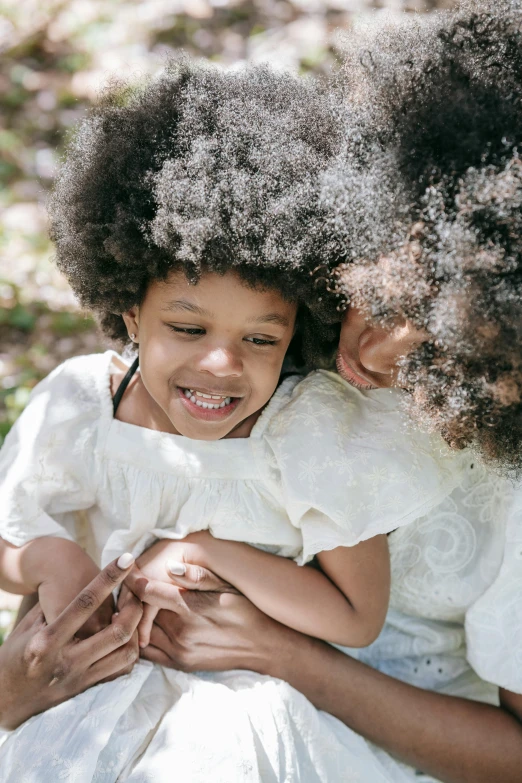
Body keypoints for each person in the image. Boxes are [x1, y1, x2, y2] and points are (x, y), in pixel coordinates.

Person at [0, 61, 459, 780]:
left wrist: (208, 548)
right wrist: (45, 558)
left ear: (295, 333)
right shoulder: (81, 405)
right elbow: (12, 524)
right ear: (128, 311)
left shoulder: (308, 432)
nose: (221, 365)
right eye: (187, 329)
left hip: (243, 711)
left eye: (260, 340)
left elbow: (356, 614)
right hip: (95, 698)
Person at [112, 3, 522, 783]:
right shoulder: (279, 307)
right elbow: (124, 477)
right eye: (390, 295)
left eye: (436, 333)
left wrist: (286, 656)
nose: (369, 349)